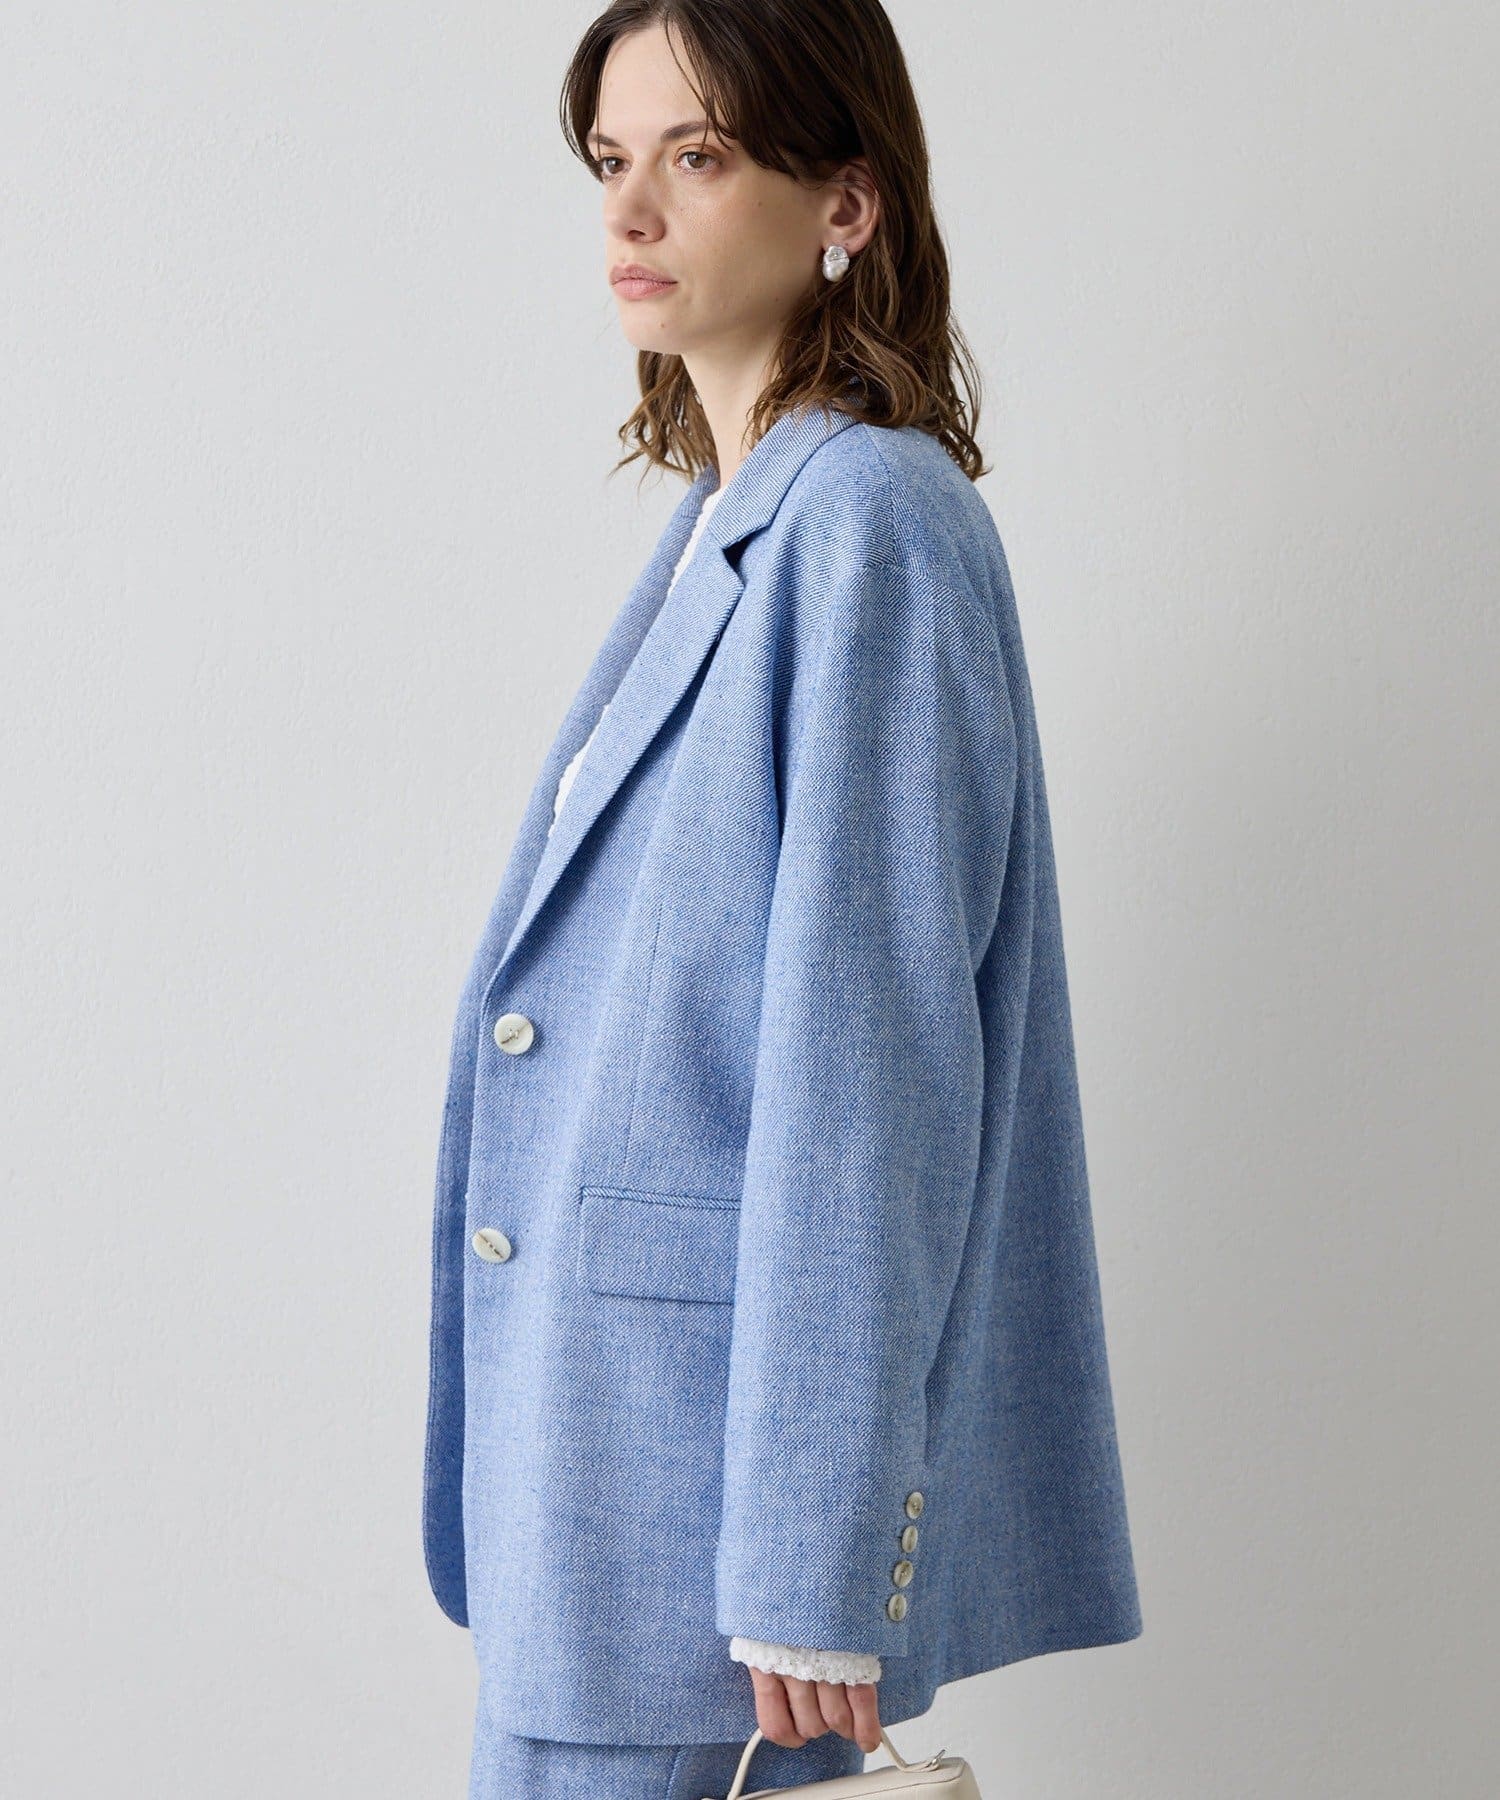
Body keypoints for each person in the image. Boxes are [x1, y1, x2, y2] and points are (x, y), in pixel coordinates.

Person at [421, 3, 1144, 1795]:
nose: (629, 211)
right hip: (605, 1503)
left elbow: (873, 1074)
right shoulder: (726, 525)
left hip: (713, 1554)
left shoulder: (871, 525)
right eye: (612, 159)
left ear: (847, 201)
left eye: (698, 155)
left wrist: (819, 1562)